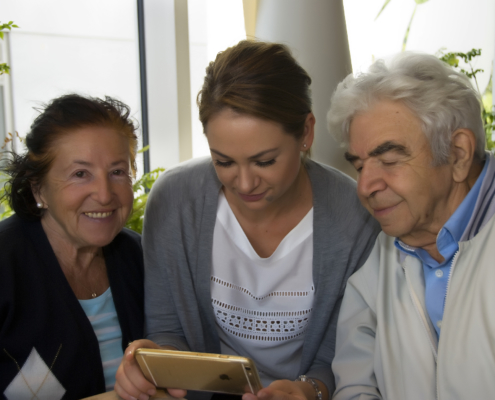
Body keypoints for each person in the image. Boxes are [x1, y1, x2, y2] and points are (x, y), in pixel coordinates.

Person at [116, 40, 380, 400]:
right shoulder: (175, 201)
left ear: (306, 132)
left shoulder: (355, 216)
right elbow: (167, 328)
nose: (244, 183)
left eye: (265, 161)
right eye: (223, 161)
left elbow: (344, 355)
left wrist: (308, 391)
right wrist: (156, 360)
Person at [327, 52, 495, 399]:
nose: (365, 186)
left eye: (389, 160)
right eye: (359, 166)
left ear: (458, 154)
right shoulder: (382, 254)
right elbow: (356, 382)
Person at [0, 94, 144, 399]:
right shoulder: (4, 263)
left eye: (118, 172)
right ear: (39, 189)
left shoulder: (140, 258)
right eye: (80, 174)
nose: (105, 195)